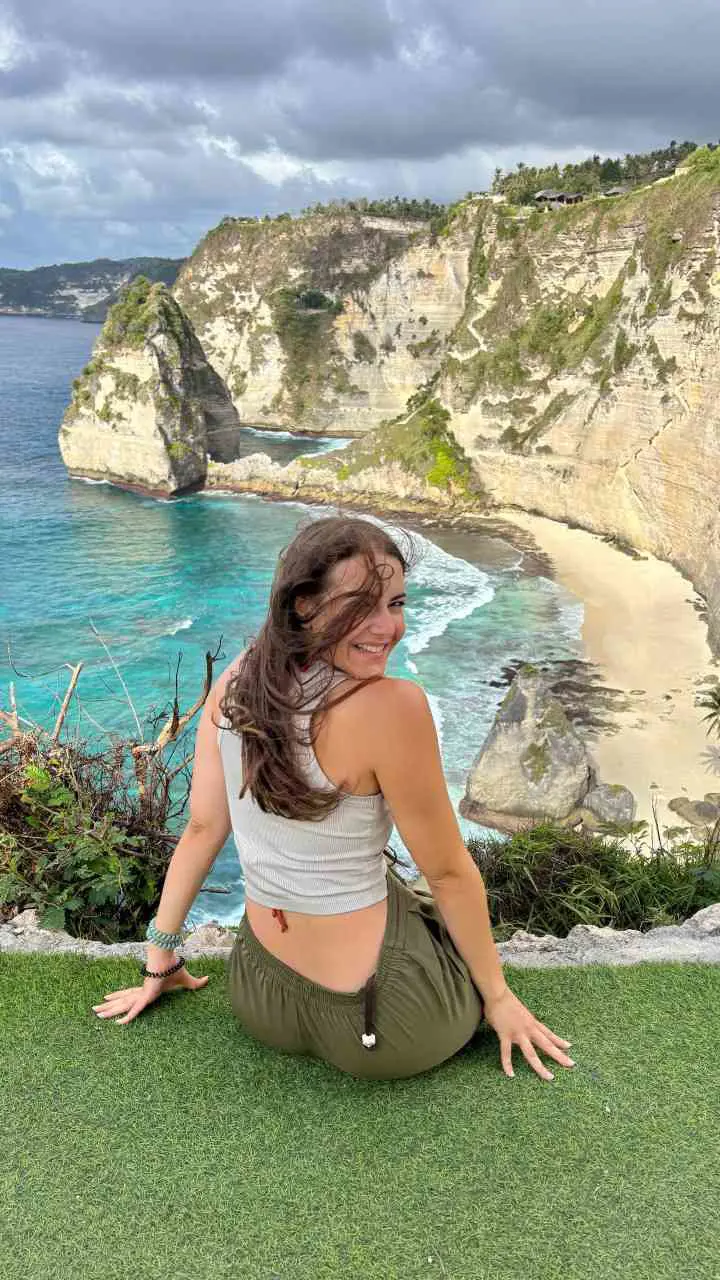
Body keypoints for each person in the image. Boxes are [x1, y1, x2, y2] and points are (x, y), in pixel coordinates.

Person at [92, 514, 575, 1084]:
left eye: (396, 603)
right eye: (359, 606)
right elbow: (447, 872)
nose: (386, 627)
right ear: (304, 606)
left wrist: (161, 959)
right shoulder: (393, 707)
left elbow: (202, 829)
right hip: (390, 1025)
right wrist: (498, 998)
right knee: (425, 897)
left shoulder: (238, 682)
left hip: (261, 997)